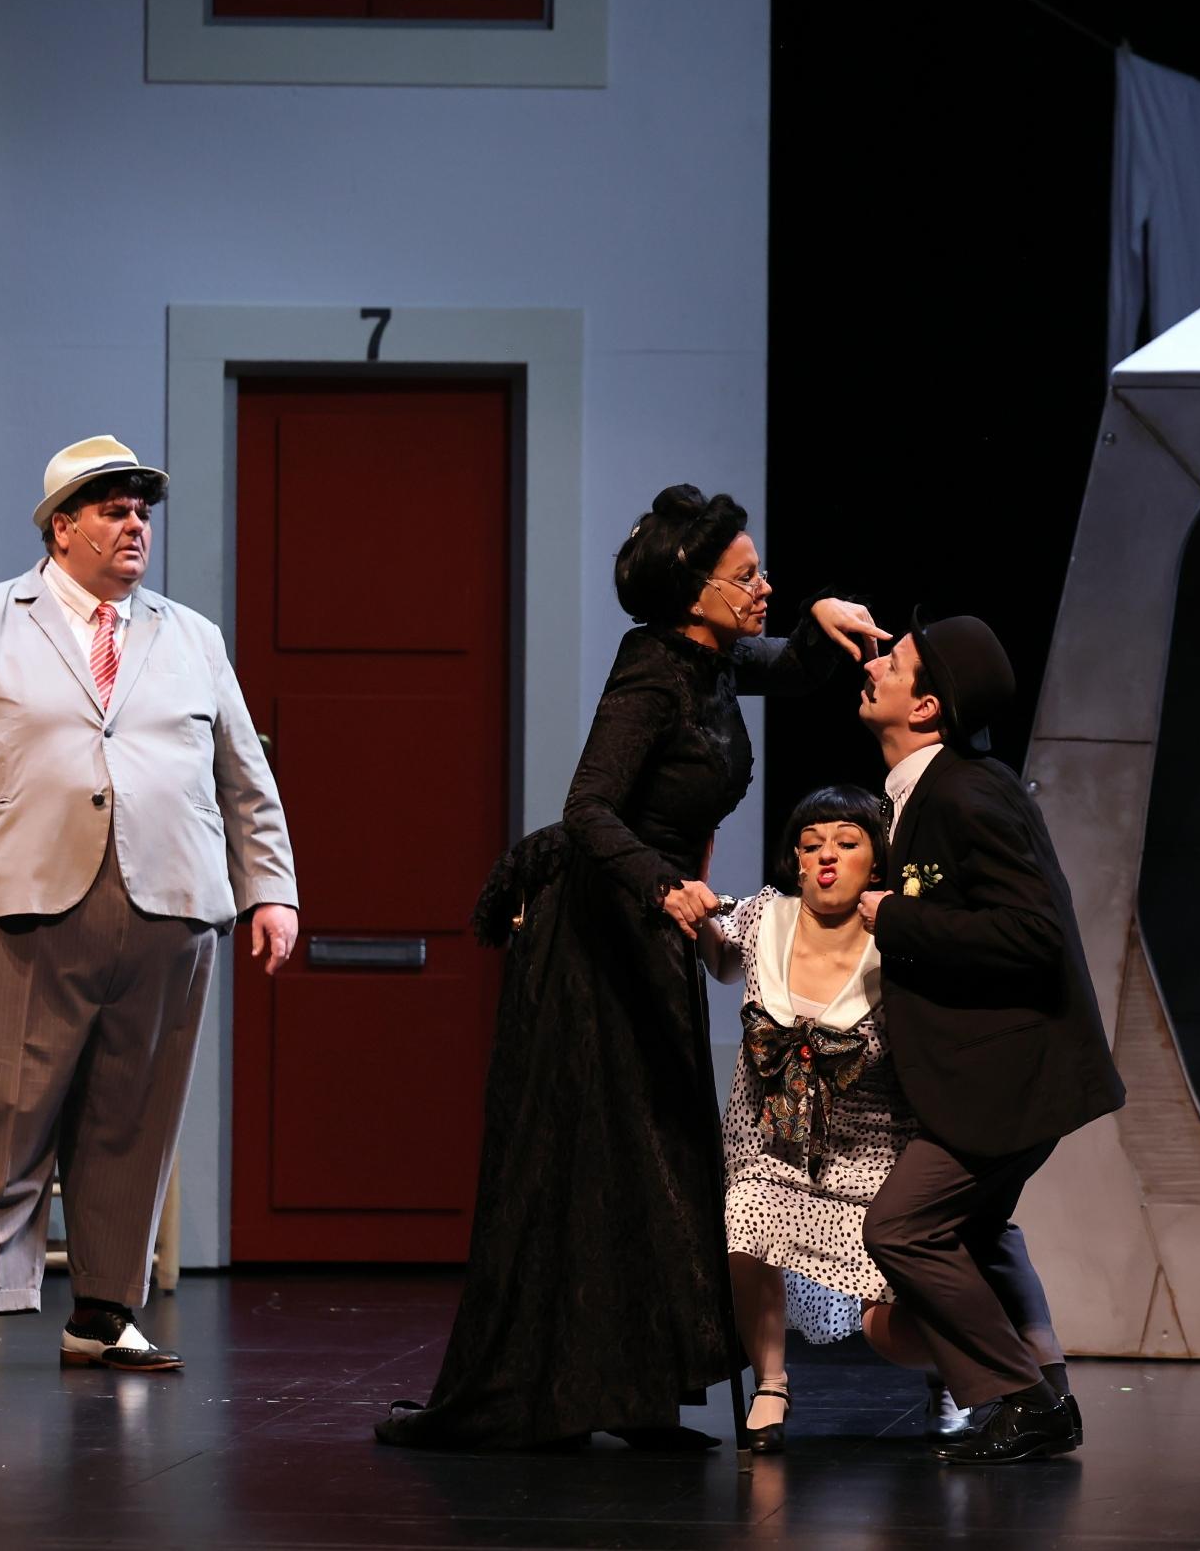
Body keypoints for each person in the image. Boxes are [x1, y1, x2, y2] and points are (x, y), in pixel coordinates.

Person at [374, 484, 888, 1452]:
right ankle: (545, 1396)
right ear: (693, 592)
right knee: (593, 1154)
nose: (763, 588)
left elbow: (789, 664)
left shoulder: (714, 658)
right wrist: (663, 886)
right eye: (746, 576)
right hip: (595, 932)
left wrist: (821, 617)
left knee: (653, 1155)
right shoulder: (652, 675)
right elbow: (587, 808)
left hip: (647, 927)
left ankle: (633, 1394)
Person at [0, 435, 300, 1384]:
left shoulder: (192, 637)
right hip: (15, 899)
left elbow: (244, 777)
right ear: (62, 528)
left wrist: (269, 888)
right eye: (114, 510)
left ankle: (105, 1311)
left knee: (133, 1115)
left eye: (142, 511)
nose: (135, 525)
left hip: (166, 905)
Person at [854, 612, 1125, 1465]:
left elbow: (1032, 932)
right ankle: (1045, 1400)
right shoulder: (929, 792)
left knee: (902, 1227)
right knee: (976, 1232)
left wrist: (897, 918)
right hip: (985, 1073)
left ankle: (1024, 1398)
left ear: (926, 705)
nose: (873, 665)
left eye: (894, 662)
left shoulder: (966, 793)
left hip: (1011, 1077)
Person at [701, 782, 973, 1454]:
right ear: (795, 861)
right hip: (770, 1150)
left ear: (875, 862)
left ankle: (952, 1370)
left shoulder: (899, 936)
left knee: (888, 1331)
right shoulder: (764, 919)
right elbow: (720, 960)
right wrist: (692, 895)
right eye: (811, 844)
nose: (826, 856)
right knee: (745, 1224)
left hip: (873, 1158)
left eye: (846, 843)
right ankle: (772, 1383)